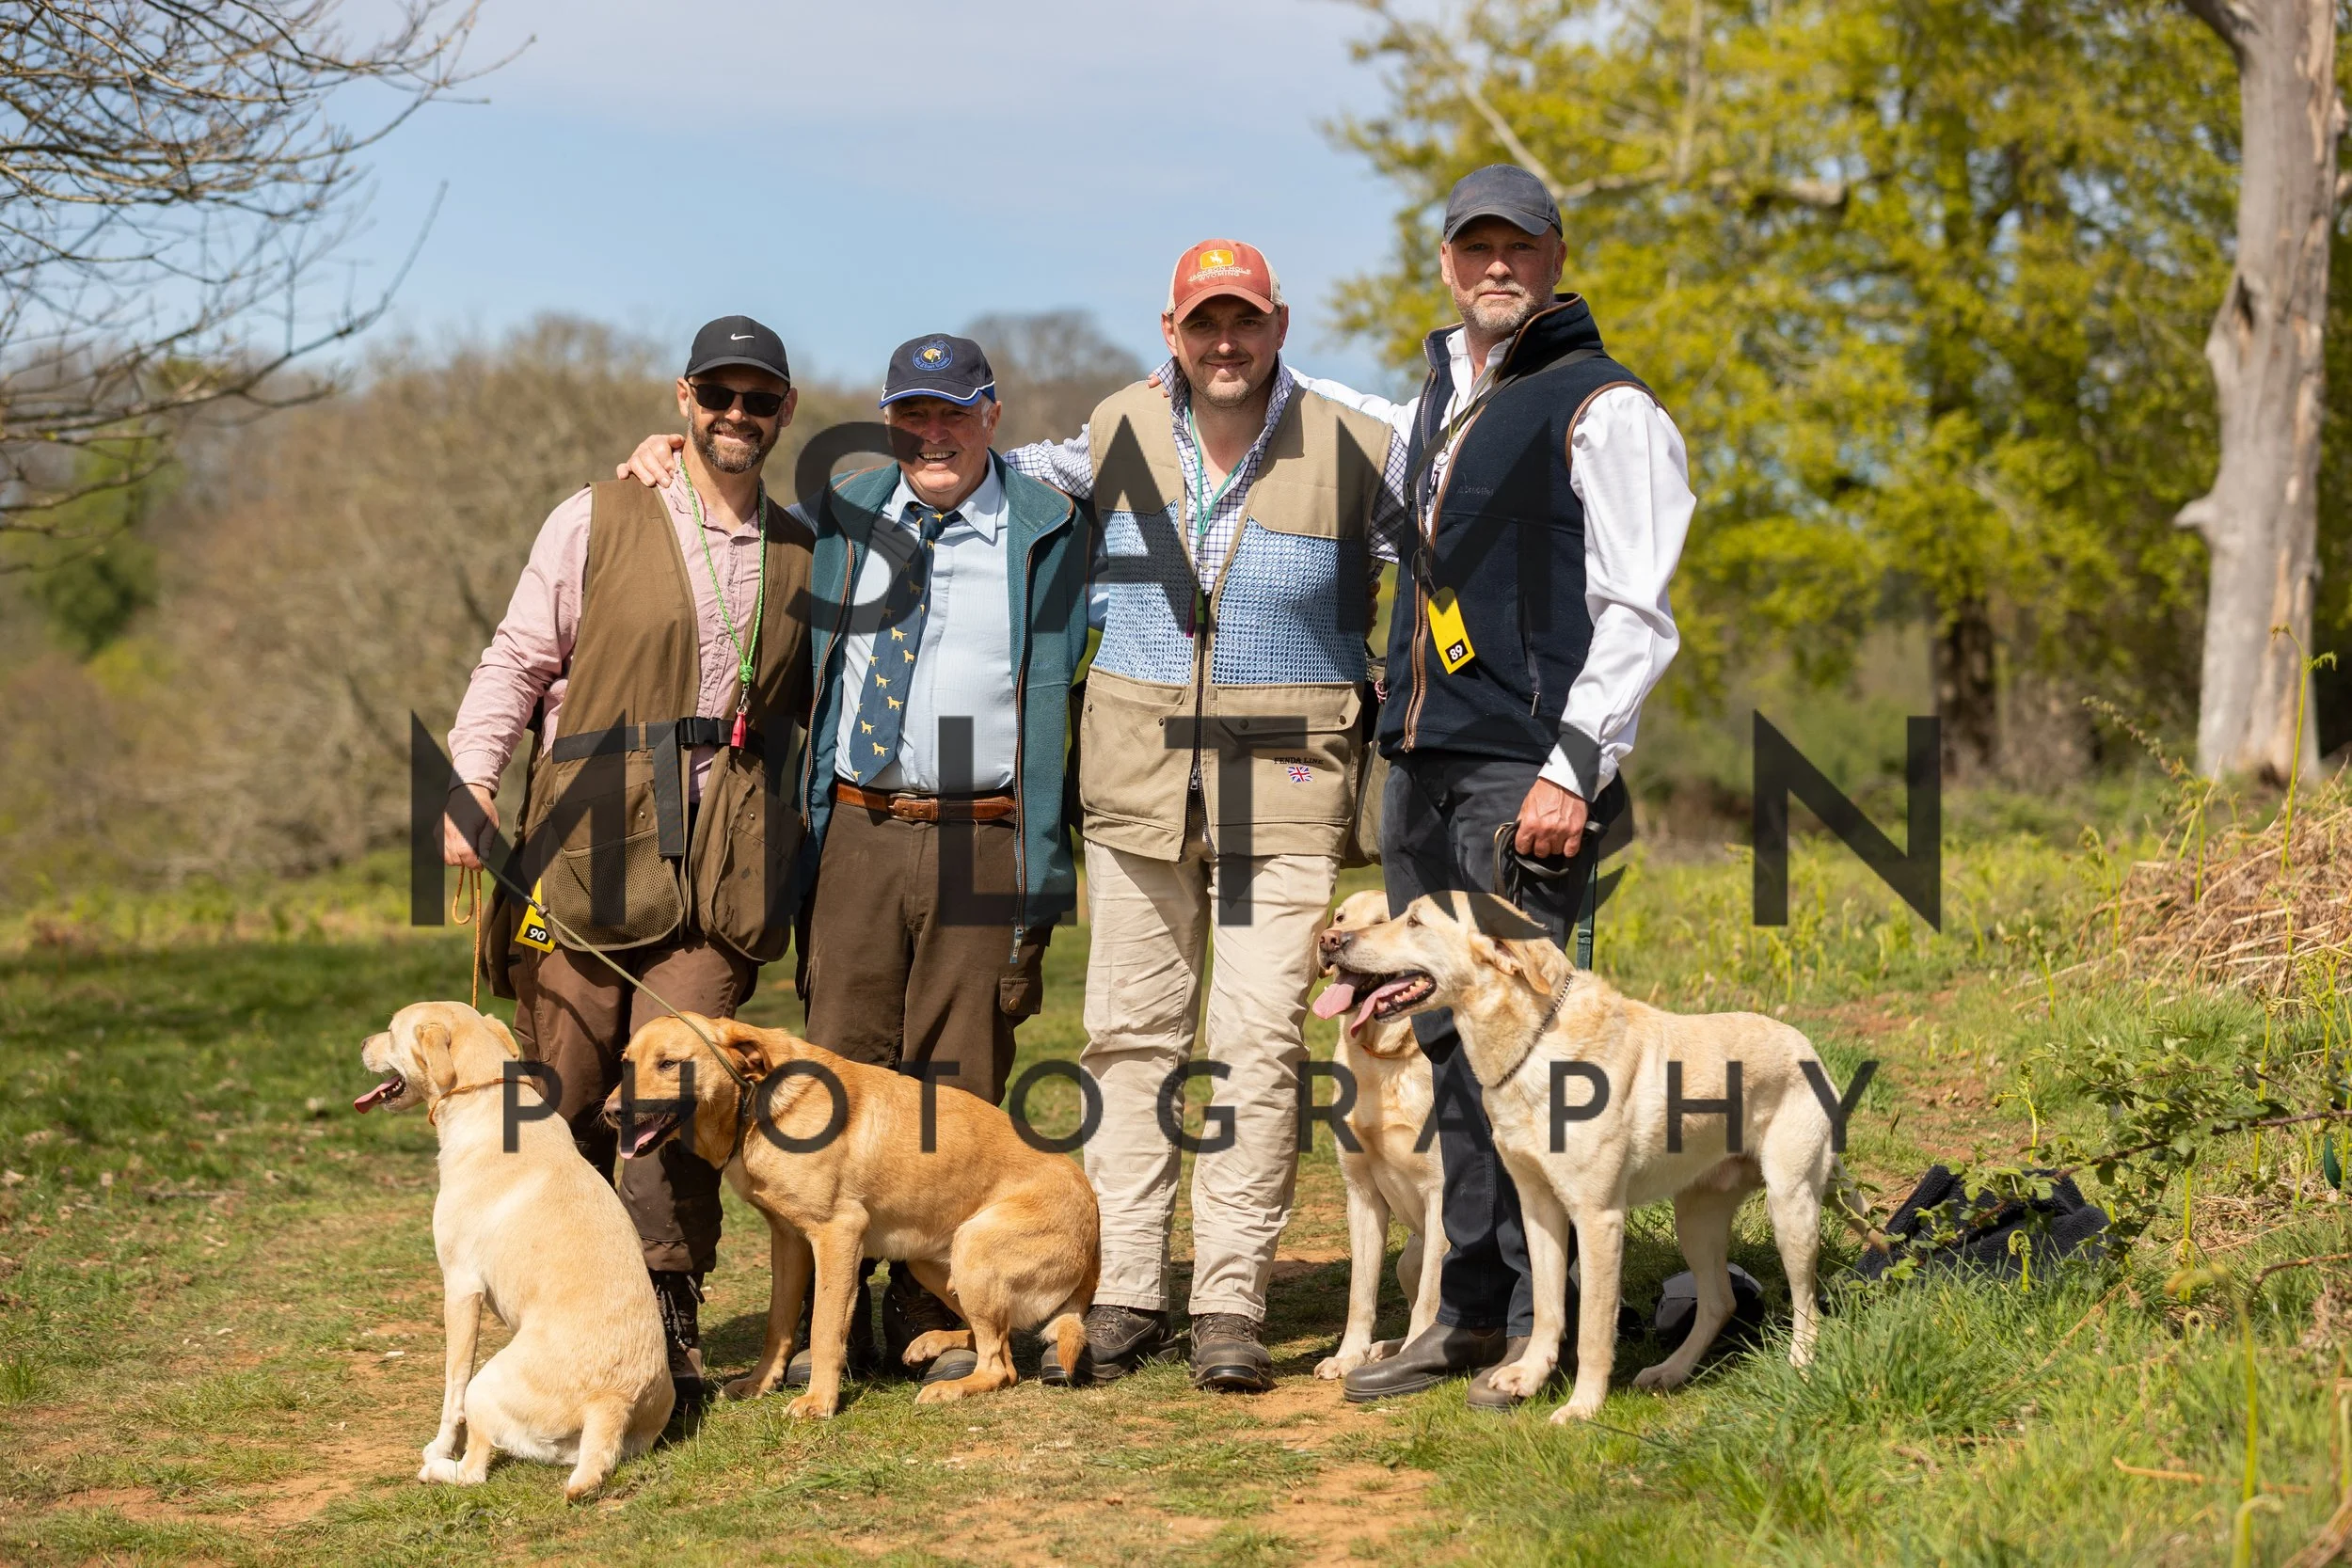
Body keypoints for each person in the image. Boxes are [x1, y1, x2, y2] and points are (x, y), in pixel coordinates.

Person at [616, 333, 1090, 1385]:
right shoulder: (842, 511)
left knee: (958, 1072)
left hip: (985, 821)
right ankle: (837, 1301)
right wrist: (665, 457)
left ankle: (936, 1312)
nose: (933, 435)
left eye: (953, 414)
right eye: (911, 416)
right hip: (858, 825)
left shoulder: (1050, 526)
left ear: (992, 417)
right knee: (836, 1053)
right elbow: (728, 503)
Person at [1001, 240, 1412, 1391]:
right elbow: (984, 472)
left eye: (1244, 321)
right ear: (1170, 332)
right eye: (1202, 323)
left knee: (1256, 1042)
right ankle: (1129, 1286)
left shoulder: (1356, 445)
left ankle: (1231, 1297)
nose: (1223, 343)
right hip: (1136, 786)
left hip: (1285, 785)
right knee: (1128, 1041)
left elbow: (1454, 547)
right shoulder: (1112, 429)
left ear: (1278, 325)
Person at [1324, 166, 1695, 1410]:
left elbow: (1637, 612)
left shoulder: (1604, 404)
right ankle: (1470, 1310)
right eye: (1474, 244)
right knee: (1446, 1043)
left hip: (1522, 771)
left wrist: (1572, 768)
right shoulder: (1442, 396)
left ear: (1554, 253)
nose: (1496, 264)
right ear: (1445, 261)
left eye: (1518, 246)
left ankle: (1554, 1323)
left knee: (1540, 1047)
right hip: (1423, 763)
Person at [443, 315, 816, 1416]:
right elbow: (517, 658)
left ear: (785, 413)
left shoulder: (804, 547)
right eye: (718, 395)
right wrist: (468, 784)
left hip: (723, 867)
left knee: (679, 1083)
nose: (736, 416)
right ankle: (561, 1299)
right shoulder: (599, 513)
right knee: (564, 1087)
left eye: (759, 400)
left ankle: (666, 1303)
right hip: (584, 849)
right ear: (683, 398)